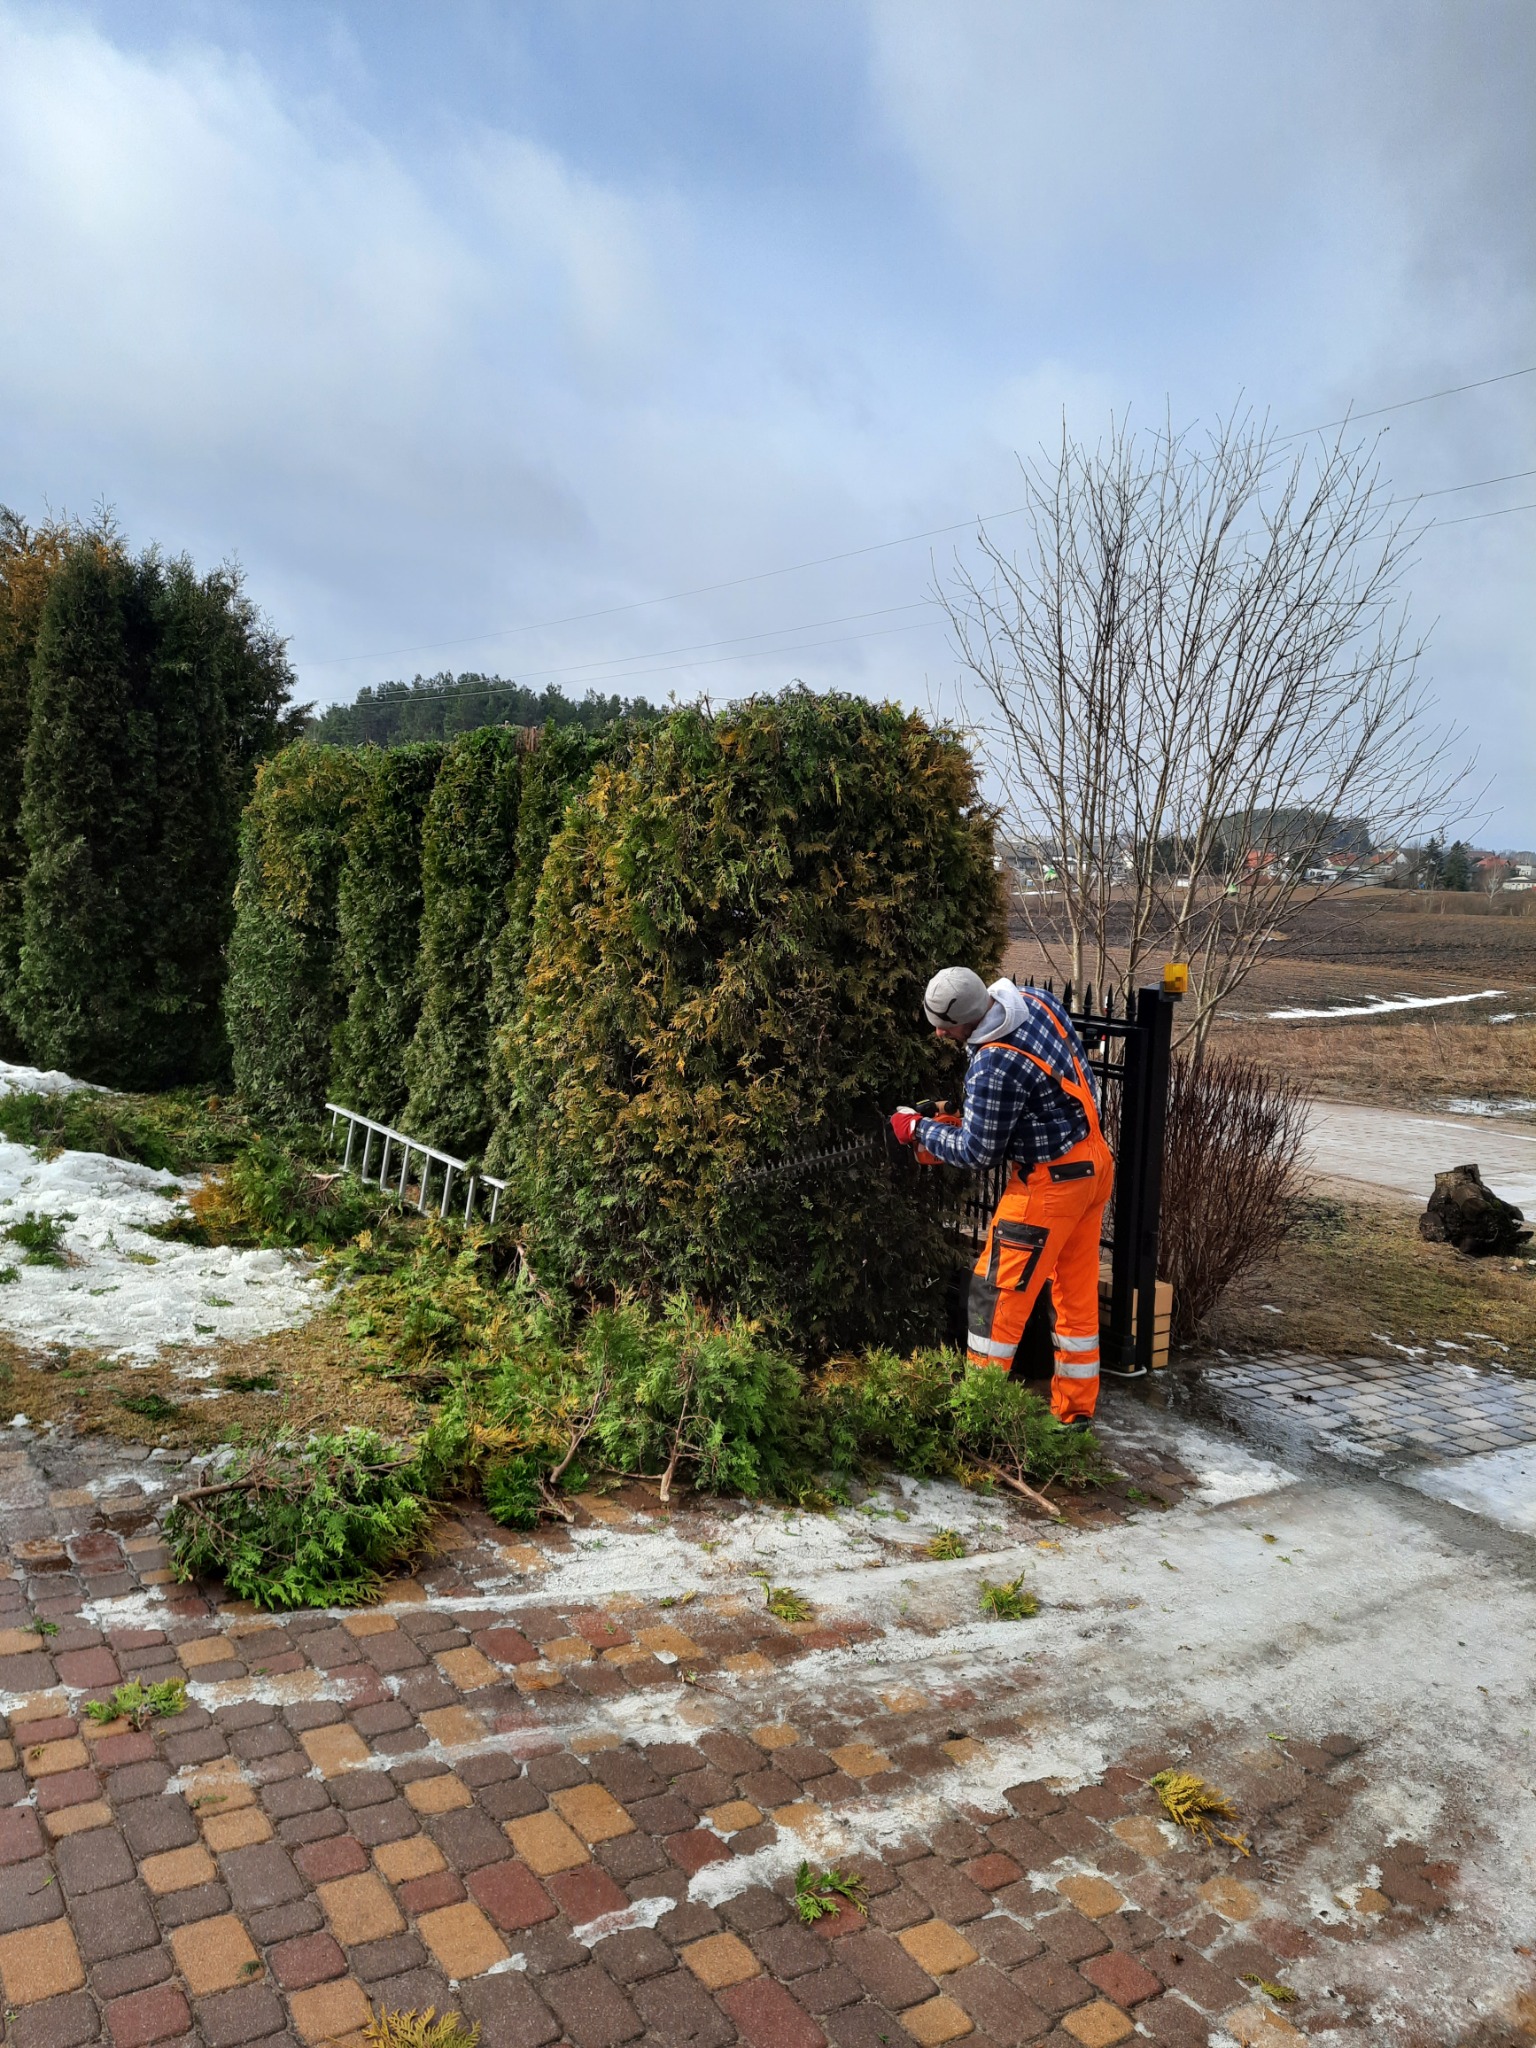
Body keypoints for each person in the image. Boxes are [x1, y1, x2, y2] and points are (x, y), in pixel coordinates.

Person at [889, 967, 1114, 1425]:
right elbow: (1038, 1093)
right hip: (1092, 1161)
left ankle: (978, 1412)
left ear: (967, 1021)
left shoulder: (993, 1064)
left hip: (1047, 1188)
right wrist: (958, 1114)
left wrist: (919, 1130)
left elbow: (977, 1152)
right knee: (1074, 1296)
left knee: (996, 1301)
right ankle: (1074, 1414)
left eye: (944, 1026)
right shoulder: (1034, 1001)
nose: (938, 1032)